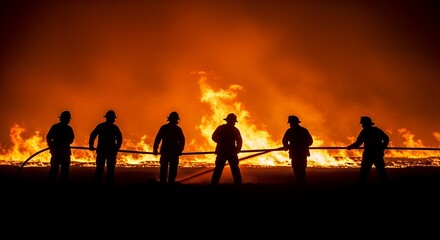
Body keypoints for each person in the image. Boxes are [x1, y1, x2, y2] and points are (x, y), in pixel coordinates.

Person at [347, 116, 389, 184]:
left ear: (367, 124)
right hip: (375, 154)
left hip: (371, 155)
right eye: (362, 124)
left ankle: (361, 186)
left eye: (363, 124)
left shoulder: (366, 132)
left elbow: (358, 143)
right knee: (379, 172)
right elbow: (386, 138)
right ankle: (386, 186)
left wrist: (351, 147)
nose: (362, 125)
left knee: (366, 172)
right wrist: (382, 147)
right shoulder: (375, 131)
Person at [89, 110, 123, 186]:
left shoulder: (101, 126)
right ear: (112, 118)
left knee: (99, 169)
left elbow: (92, 135)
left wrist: (91, 145)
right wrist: (117, 147)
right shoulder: (114, 128)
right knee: (110, 170)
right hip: (110, 152)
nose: (114, 119)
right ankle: (108, 186)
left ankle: (97, 185)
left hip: (102, 151)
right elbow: (120, 139)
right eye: (113, 118)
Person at [153, 111, 186, 184]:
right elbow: (182, 141)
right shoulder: (177, 129)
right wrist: (180, 150)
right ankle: (169, 184)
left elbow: (157, 139)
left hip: (167, 152)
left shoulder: (164, 128)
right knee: (171, 170)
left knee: (165, 170)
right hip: (172, 153)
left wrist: (155, 149)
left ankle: (164, 184)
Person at [211, 113, 243, 185]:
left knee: (219, 168)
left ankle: (214, 184)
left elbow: (213, 137)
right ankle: (238, 184)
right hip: (230, 152)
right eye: (232, 121)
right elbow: (239, 141)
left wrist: (219, 142)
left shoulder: (221, 128)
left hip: (223, 152)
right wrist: (237, 150)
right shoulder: (235, 130)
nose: (233, 123)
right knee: (234, 169)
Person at [282, 115, 313, 186]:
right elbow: (285, 141)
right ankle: (301, 184)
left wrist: (288, 146)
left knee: (299, 168)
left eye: (291, 123)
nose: (290, 125)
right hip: (299, 153)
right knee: (299, 169)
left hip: (298, 153)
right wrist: (286, 146)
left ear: (294, 123)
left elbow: (310, 141)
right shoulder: (303, 130)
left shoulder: (290, 131)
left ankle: (301, 184)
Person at [46, 110, 75, 185]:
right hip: (63, 153)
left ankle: (50, 186)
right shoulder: (68, 129)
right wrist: (65, 143)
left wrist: (51, 147)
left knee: (54, 171)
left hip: (57, 153)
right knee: (64, 173)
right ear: (66, 119)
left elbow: (48, 137)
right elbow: (71, 139)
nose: (69, 120)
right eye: (68, 119)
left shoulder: (55, 127)